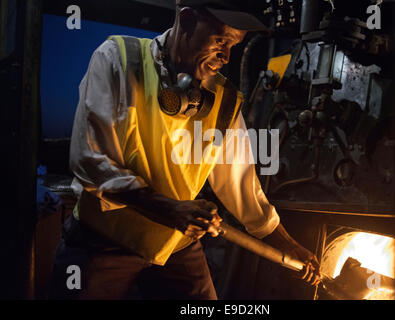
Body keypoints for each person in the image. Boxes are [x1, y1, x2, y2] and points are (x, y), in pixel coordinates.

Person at [49, 0, 320, 300]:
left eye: (234, 45)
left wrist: (289, 246)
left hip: (175, 243)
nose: (226, 57)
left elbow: (244, 189)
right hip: (104, 242)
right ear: (187, 20)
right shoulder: (117, 59)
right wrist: (171, 209)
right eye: (220, 40)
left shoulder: (223, 100)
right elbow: (91, 161)